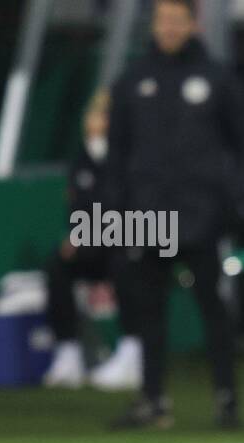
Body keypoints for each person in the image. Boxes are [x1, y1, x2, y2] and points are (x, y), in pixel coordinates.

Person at [105, 0, 244, 429]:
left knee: (213, 308)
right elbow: (116, 154)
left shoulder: (216, 78)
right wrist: (116, 210)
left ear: (193, 24)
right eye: (162, 20)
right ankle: (153, 401)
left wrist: (235, 201)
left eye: (177, 20)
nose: (168, 28)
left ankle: (226, 399)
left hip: (201, 217)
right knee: (148, 310)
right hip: (147, 218)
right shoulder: (133, 81)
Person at [42, 89, 142, 391]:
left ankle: (132, 353)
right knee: (57, 266)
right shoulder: (83, 156)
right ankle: (68, 354)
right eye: (96, 113)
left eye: (106, 115)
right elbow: (78, 206)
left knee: (125, 262)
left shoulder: (130, 155)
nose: (98, 121)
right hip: (95, 244)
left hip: (131, 243)